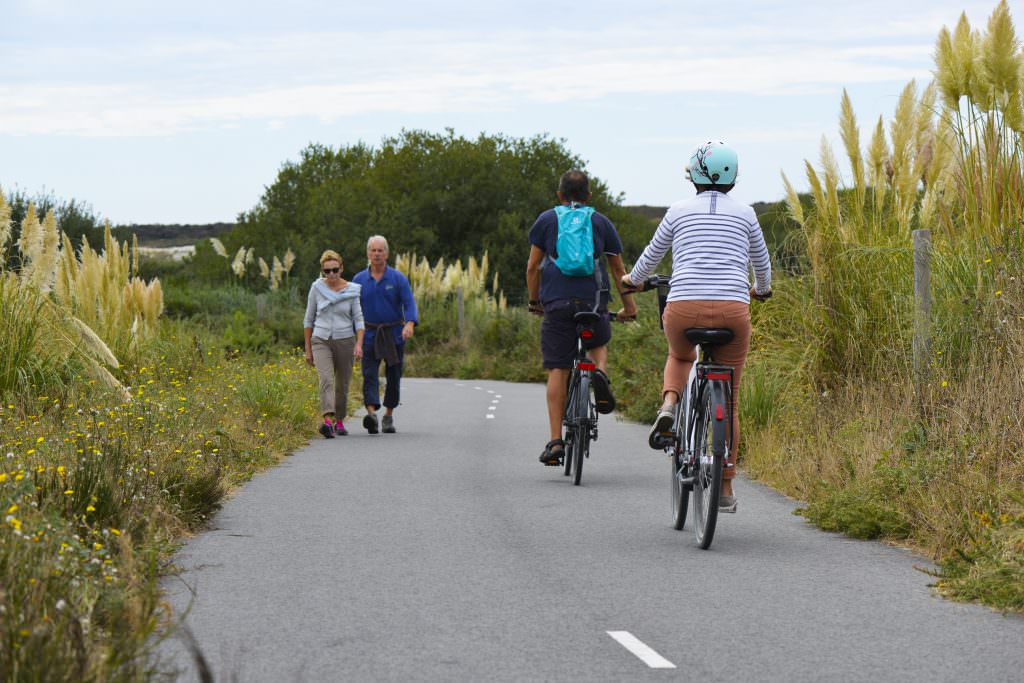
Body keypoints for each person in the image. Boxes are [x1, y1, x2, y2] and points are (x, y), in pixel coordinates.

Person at [621, 141, 772, 513]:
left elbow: (650, 258)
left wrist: (632, 280)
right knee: (731, 398)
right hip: (733, 312)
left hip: (683, 308)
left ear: (692, 176)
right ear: (734, 178)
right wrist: (761, 290)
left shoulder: (676, 212)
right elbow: (763, 265)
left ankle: (670, 404)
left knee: (680, 353)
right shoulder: (747, 214)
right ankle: (724, 487)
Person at [526, 169, 637, 466]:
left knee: (558, 369)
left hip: (557, 303)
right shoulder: (600, 222)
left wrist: (536, 301)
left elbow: (533, 267)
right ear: (589, 195)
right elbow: (617, 271)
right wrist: (630, 307)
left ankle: (555, 442)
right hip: (592, 300)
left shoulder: (547, 220)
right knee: (598, 341)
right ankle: (599, 372)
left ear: (559, 195)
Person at [352, 235, 419, 434]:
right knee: (369, 374)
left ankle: (388, 415)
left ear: (387, 253)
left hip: (393, 334)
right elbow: (351, 308)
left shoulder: (397, 279)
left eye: (380, 250)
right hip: (369, 334)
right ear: (368, 254)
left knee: (394, 375)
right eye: (373, 250)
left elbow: (409, 303)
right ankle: (372, 414)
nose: (377, 254)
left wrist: (410, 323)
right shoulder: (359, 280)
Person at [304, 249, 365, 438]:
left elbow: (359, 319)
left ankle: (340, 421)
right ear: (323, 271)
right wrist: (308, 349)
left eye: (335, 270)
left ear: (341, 268)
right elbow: (308, 319)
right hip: (321, 339)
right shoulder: (316, 288)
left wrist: (359, 344)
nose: (331, 274)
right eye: (327, 271)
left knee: (342, 384)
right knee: (326, 380)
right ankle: (328, 422)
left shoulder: (352, 290)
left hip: (346, 340)